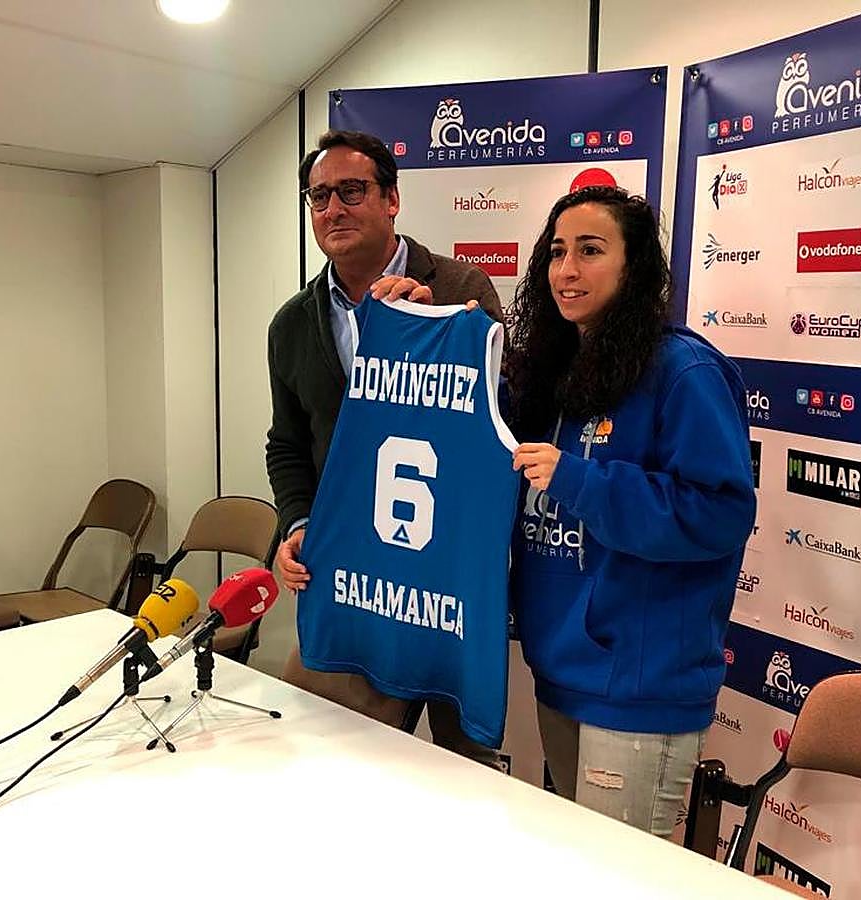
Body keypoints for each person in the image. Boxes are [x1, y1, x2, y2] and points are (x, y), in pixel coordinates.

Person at [505, 185, 755, 836]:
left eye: (590, 250)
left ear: (634, 265)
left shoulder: (684, 370)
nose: (567, 269)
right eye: (557, 252)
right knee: (577, 867)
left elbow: (720, 512)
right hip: (559, 672)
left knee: (618, 876)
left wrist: (583, 483)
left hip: (639, 692)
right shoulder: (555, 370)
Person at [266, 129, 503, 765]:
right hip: (353, 576)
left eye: (351, 190)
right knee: (328, 760)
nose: (333, 209)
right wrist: (299, 524)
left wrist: (437, 332)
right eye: (319, 197)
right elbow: (287, 445)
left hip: (446, 578)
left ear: (391, 199)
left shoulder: (460, 289)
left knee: (463, 774)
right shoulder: (292, 324)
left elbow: (505, 416)